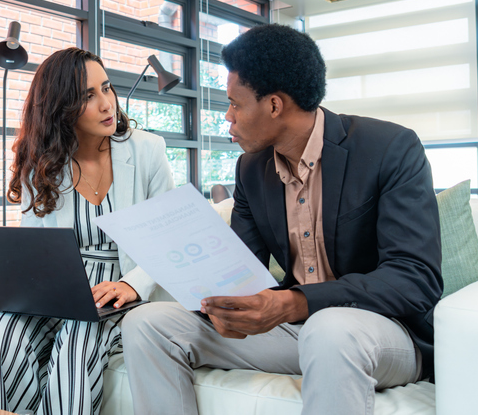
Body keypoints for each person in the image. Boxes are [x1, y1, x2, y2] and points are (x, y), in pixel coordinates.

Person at [121, 24, 443, 415]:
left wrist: (293, 303)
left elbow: (415, 279)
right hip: (298, 332)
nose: (228, 117)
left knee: (331, 329)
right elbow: (240, 270)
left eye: (235, 104)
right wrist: (222, 305)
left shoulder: (390, 147)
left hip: (384, 332)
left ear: (274, 105)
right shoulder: (251, 169)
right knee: (148, 324)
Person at [0, 47, 175, 415]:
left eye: (107, 88)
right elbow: (34, 249)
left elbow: (170, 236)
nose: (107, 104)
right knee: (1, 339)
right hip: (61, 288)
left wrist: (131, 285)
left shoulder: (147, 150)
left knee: (78, 339)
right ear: (60, 108)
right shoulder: (41, 165)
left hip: (123, 287)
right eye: (88, 96)